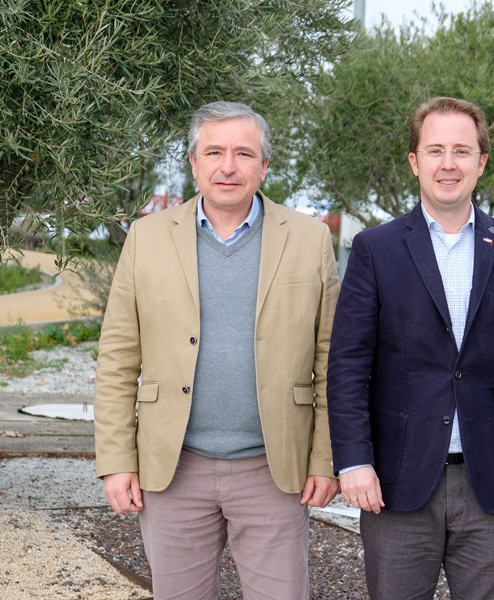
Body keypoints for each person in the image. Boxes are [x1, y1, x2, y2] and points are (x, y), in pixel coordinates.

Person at [94, 101, 340, 599]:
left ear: (264, 166)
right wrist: (117, 460)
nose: (228, 166)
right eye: (215, 152)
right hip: (173, 469)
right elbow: (118, 359)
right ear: (193, 162)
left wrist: (325, 459)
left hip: (275, 471)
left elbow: (332, 361)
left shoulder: (310, 240)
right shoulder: (147, 237)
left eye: (244, 153)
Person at [327, 97, 494, 599]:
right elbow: (348, 367)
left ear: (481, 162)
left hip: (493, 481)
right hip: (395, 482)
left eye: (462, 150)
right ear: (415, 162)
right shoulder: (376, 249)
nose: (448, 164)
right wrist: (353, 461)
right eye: (435, 150)